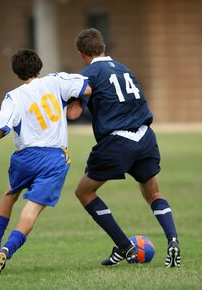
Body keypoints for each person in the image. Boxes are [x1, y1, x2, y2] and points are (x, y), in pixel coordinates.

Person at [0, 49, 91, 276]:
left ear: (16, 74)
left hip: (26, 158)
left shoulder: (14, 97)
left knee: (9, 194)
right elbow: (88, 86)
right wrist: (77, 101)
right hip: (54, 158)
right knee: (30, 212)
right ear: (39, 68)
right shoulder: (56, 81)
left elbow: (1, 129)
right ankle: (6, 249)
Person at [67, 28, 180, 268]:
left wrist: (64, 98)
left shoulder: (88, 74)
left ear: (81, 54)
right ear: (103, 47)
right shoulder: (124, 69)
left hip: (117, 142)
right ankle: (173, 241)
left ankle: (124, 246)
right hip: (146, 137)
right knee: (153, 195)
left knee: (84, 193)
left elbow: (74, 113)